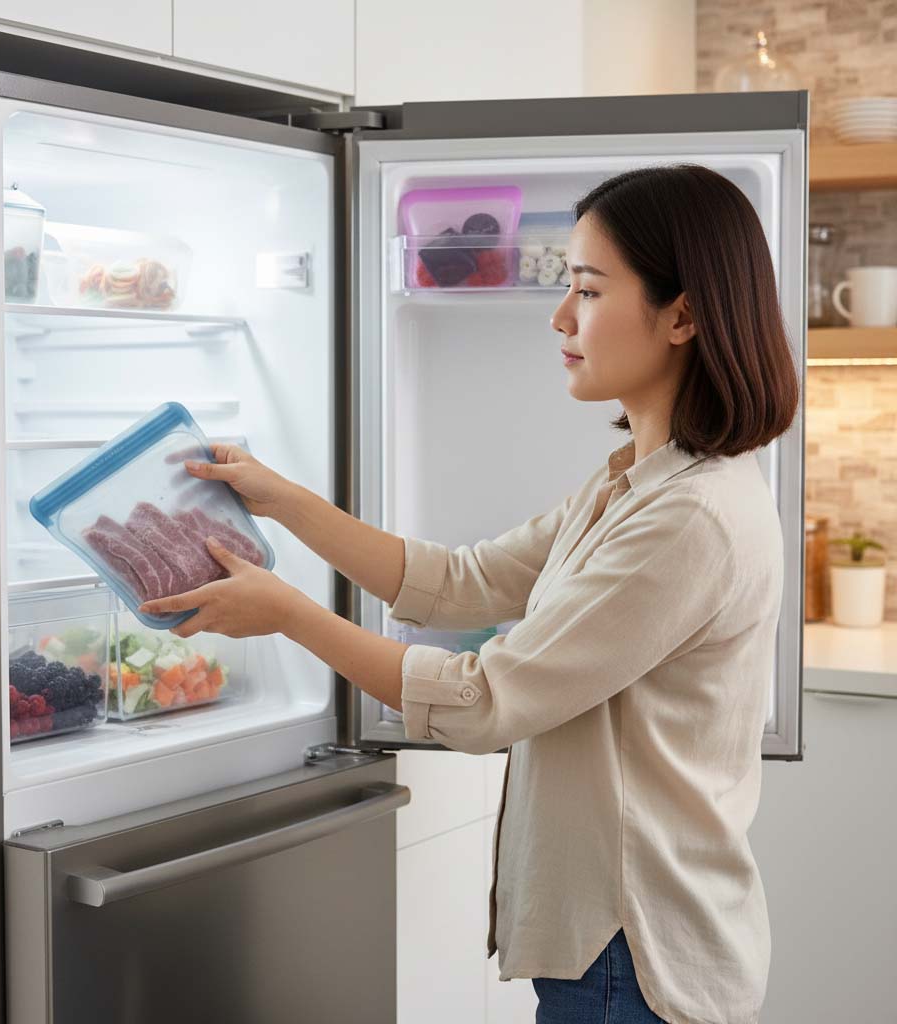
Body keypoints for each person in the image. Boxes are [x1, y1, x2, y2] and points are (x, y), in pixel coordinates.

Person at [140, 164, 800, 1024]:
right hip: (611, 951)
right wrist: (283, 499)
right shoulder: (634, 485)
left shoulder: (690, 521)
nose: (561, 317)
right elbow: (462, 580)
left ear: (684, 314)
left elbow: (487, 700)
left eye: (589, 290)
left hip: (635, 958)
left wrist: (289, 616)